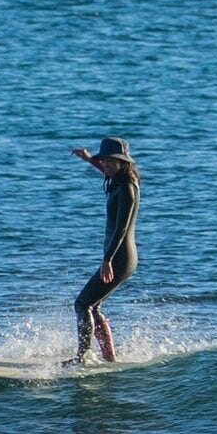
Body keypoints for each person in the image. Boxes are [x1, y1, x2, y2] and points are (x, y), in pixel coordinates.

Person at [69, 137, 142, 366]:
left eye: (111, 161)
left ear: (123, 162)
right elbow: (105, 171)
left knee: (82, 304)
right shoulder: (117, 181)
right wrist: (89, 158)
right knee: (93, 305)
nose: (107, 165)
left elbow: (121, 228)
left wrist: (107, 260)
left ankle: (83, 358)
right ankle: (109, 357)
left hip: (120, 258)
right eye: (105, 161)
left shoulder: (128, 189)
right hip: (117, 257)